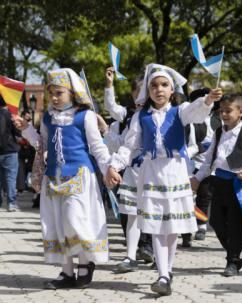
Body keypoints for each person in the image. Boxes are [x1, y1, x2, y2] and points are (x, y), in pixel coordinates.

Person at [105, 63, 222, 296]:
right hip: (151, 173)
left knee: (172, 227)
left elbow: (196, 112)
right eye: (154, 86)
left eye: (164, 85)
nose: (159, 89)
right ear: (148, 91)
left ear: (172, 90)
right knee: (157, 226)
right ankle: (163, 274)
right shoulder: (140, 117)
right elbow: (130, 146)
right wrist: (114, 166)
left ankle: (166, 270)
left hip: (175, 172)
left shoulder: (180, 111)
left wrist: (208, 100)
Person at [14, 68, 111, 289]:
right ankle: (67, 272)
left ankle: (86, 263)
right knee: (57, 224)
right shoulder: (48, 117)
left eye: (59, 93)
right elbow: (42, 144)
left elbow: (97, 146)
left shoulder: (84, 116)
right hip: (53, 178)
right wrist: (27, 129)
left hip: (79, 176)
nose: (55, 98)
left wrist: (109, 169)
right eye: (52, 94)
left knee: (74, 221)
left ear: (73, 92)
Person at [192, 93, 242, 277]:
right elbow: (209, 160)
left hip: (236, 186)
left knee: (234, 225)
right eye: (221, 110)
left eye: (228, 111)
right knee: (215, 221)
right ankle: (233, 252)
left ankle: (232, 260)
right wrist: (197, 178)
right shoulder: (218, 132)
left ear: (240, 112)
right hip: (218, 183)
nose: (223, 114)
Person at [104, 67, 154, 269]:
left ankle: (156, 254)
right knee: (130, 212)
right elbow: (127, 145)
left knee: (155, 214)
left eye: (146, 90)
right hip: (133, 169)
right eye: (138, 91)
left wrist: (207, 101)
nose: (142, 95)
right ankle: (131, 255)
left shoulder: (170, 113)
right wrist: (109, 85)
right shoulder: (130, 115)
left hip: (157, 171)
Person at [181, 88, 221, 247]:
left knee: (205, 195)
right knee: (188, 198)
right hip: (191, 163)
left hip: (209, 164)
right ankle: (185, 232)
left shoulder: (217, 120)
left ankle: (202, 225)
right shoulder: (188, 121)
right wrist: (198, 147)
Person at [0, 93, 20, 212]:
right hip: (10, 150)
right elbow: (17, 133)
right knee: (10, 178)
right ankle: (11, 203)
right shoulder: (11, 115)